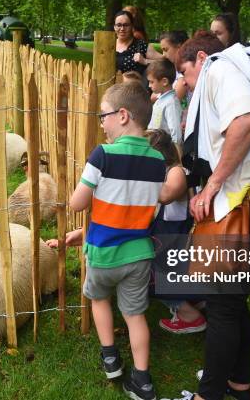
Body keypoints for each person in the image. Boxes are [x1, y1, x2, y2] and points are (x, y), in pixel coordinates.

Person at [160, 31, 250, 400]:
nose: (187, 86)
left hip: (249, 209)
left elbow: (246, 118)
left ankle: (209, 395)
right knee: (234, 303)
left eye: (186, 75)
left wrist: (211, 187)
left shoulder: (221, 68)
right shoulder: (245, 70)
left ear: (202, 58)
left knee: (223, 305)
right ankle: (238, 384)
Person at [70, 81, 165, 400]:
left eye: (103, 116)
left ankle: (110, 356)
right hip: (139, 253)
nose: (102, 123)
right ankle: (142, 380)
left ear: (122, 115)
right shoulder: (158, 161)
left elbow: (77, 203)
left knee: (99, 300)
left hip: (103, 252)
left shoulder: (102, 155)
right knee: (135, 314)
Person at [145, 129, 206, 334]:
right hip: (169, 244)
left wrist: (137, 174)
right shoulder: (165, 171)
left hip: (176, 246)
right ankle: (194, 300)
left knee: (145, 274)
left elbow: (166, 195)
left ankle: (190, 315)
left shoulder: (176, 172)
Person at [114, 10, 163, 76]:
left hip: (133, 85)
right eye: (119, 25)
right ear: (114, 27)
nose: (122, 28)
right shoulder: (108, 45)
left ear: (132, 26)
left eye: (126, 25)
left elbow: (165, 62)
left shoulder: (141, 45)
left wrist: (145, 61)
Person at [147, 58, 183, 145]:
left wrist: (175, 153)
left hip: (165, 151)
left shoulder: (171, 103)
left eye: (152, 82)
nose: (149, 85)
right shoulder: (161, 100)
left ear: (164, 81)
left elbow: (176, 133)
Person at [159, 31, 189, 101]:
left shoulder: (185, 71)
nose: (163, 55)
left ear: (179, 47)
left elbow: (172, 100)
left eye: (166, 50)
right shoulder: (173, 68)